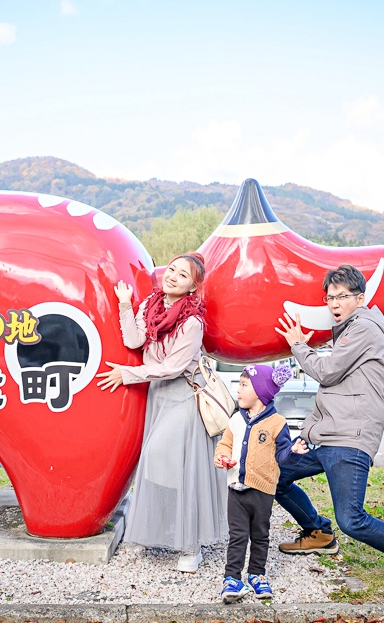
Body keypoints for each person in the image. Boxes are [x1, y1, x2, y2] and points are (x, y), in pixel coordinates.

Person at [273, 264, 384, 597]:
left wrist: (298, 346)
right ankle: (318, 533)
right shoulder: (348, 332)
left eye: (342, 297)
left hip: (350, 439)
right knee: (274, 475)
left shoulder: (363, 328)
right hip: (326, 436)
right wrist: (306, 433)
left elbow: (329, 373)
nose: (334, 303)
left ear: (360, 298)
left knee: (351, 519)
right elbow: (332, 392)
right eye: (329, 297)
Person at [96, 252, 227, 572]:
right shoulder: (151, 306)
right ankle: (170, 535)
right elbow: (134, 338)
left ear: (193, 287)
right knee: (161, 470)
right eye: (172, 270)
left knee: (175, 465)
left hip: (184, 395)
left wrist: (128, 375)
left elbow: (172, 367)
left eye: (182, 276)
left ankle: (191, 548)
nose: (172, 276)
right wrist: (125, 304)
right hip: (158, 397)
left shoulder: (193, 321)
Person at [214, 363, 294, 604]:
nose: (238, 390)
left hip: (262, 491)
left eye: (244, 385)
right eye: (239, 384)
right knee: (237, 535)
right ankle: (232, 578)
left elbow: (283, 455)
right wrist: (221, 456)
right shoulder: (235, 420)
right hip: (236, 489)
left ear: (260, 392)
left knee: (260, 535)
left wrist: (294, 451)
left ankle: (257, 575)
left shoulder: (277, 423)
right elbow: (225, 443)